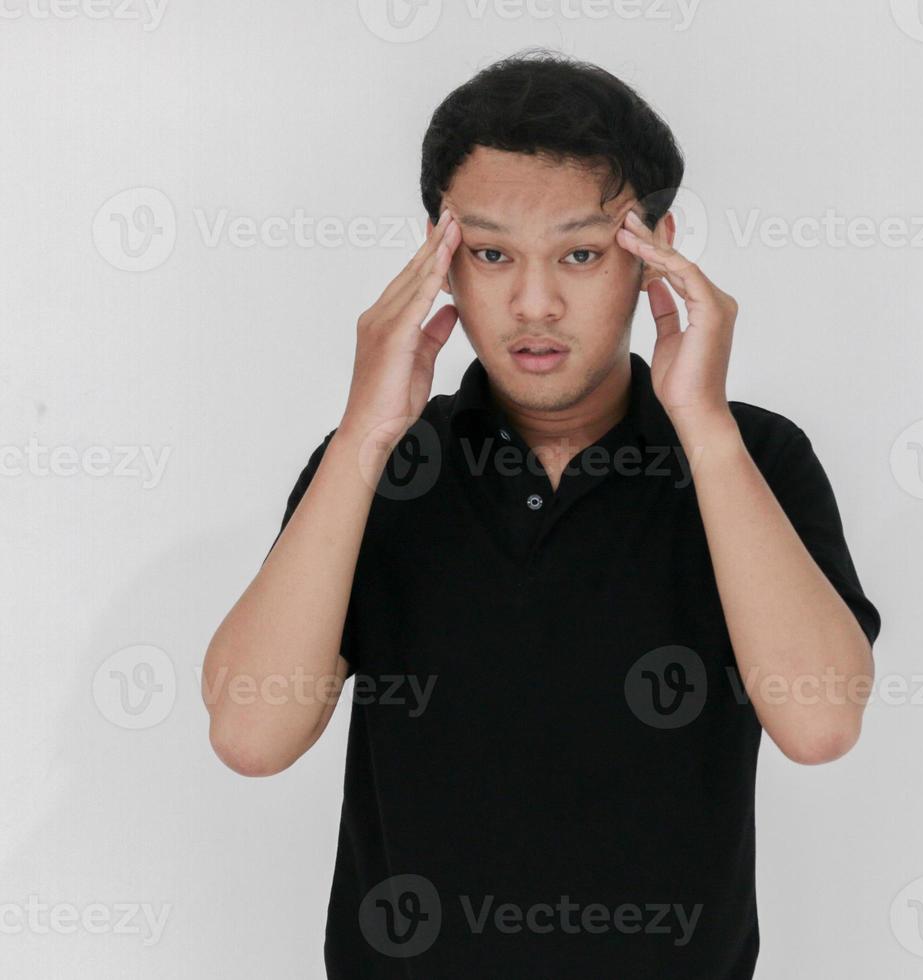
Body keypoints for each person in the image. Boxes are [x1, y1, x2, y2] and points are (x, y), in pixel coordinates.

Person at [201, 49, 881, 977]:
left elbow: (819, 725)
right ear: (438, 257)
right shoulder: (378, 467)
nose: (534, 302)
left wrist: (703, 426)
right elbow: (250, 735)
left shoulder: (753, 458)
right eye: (489, 254)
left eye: (580, 254)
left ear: (653, 252)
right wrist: (367, 426)